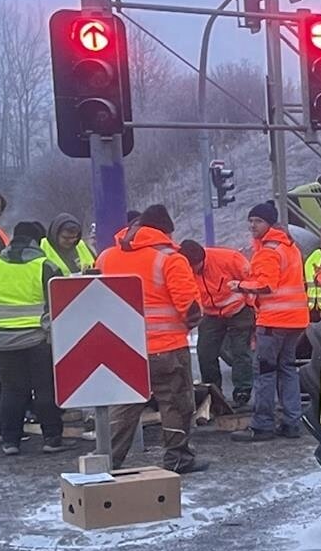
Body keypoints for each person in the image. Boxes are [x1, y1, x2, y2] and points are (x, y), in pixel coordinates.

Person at [97, 204, 207, 474]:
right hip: (166, 347)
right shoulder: (170, 258)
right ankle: (178, 458)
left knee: (125, 405)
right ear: (164, 231)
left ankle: (106, 461)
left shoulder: (107, 257)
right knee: (175, 403)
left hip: (124, 347)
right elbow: (190, 308)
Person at [0, 221, 66, 455]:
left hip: (2, 341)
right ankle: (51, 438)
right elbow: (60, 304)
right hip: (38, 339)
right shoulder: (45, 266)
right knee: (44, 389)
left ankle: (10, 441)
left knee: (11, 390)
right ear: (37, 241)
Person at [232, 201, 306, 442]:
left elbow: (266, 285)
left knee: (264, 372)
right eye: (251, 221)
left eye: (258, 221)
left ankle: (262, 425)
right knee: (288, 370)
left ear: (269, 223)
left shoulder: (268, 250)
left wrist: (239, 286)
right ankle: (291, 423)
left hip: (274, 321)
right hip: (295, 320)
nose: (252, 225)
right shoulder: (290, 247)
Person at [181, 238, 254, 408]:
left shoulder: (229, 259)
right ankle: (213, 393)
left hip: (238, 310)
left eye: (195, 268)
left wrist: (252, 309)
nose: (193, 272)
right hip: (211, 313)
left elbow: (252, 283)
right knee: (205, 352)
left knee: (240, 351)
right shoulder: (182, 268)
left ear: (201, 260)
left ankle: (242, 391)